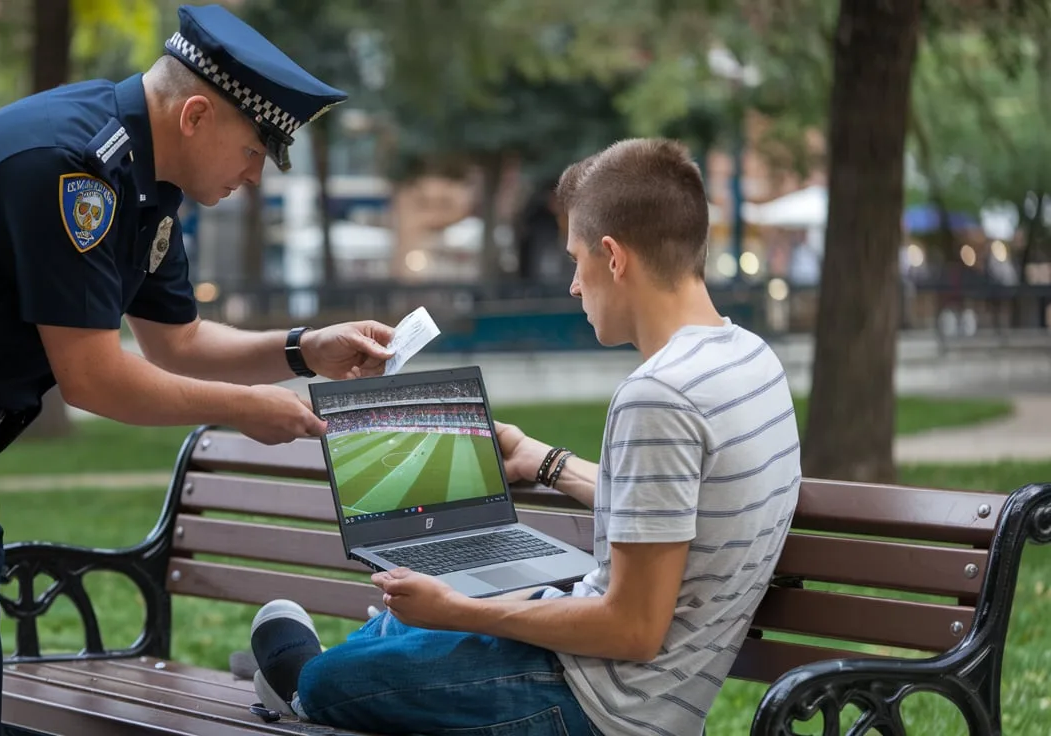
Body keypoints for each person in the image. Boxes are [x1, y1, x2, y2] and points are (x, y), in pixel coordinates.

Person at [0, 5, 393, 735]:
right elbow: (96, 379)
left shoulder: (148, 184)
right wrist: (248, 410)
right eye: (257, 150)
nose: (254, 176)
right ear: (196, 114)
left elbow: (176, 343)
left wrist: (301, 349)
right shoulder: (75, 169)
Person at [243, 138, 803, 736]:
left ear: (613, 258)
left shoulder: (658, 394)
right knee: (421, 610)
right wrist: (545, 461)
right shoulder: (748, 357)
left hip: (600, 705)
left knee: (335, 679)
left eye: (575, 259)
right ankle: (390, 648)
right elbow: (680, 510)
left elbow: (633, 630)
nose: (573, 285)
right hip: (622, 677)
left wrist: (464, 612)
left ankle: (303, 684)